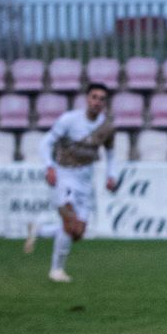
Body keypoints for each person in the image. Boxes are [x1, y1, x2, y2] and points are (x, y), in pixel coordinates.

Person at [23, 82, 117, 283]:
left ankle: (38, 230)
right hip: (64, 175)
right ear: (87, 99)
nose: (97, 102)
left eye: (102, 99)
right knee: (69, 223)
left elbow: (110, 153)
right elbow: (46, 142)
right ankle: (56, 270)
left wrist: (112, 175)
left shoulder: (107, 126)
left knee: (78, 233)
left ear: (105, 103)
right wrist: (49, 167)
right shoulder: (69, 120)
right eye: (94, 97)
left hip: (85, 179)